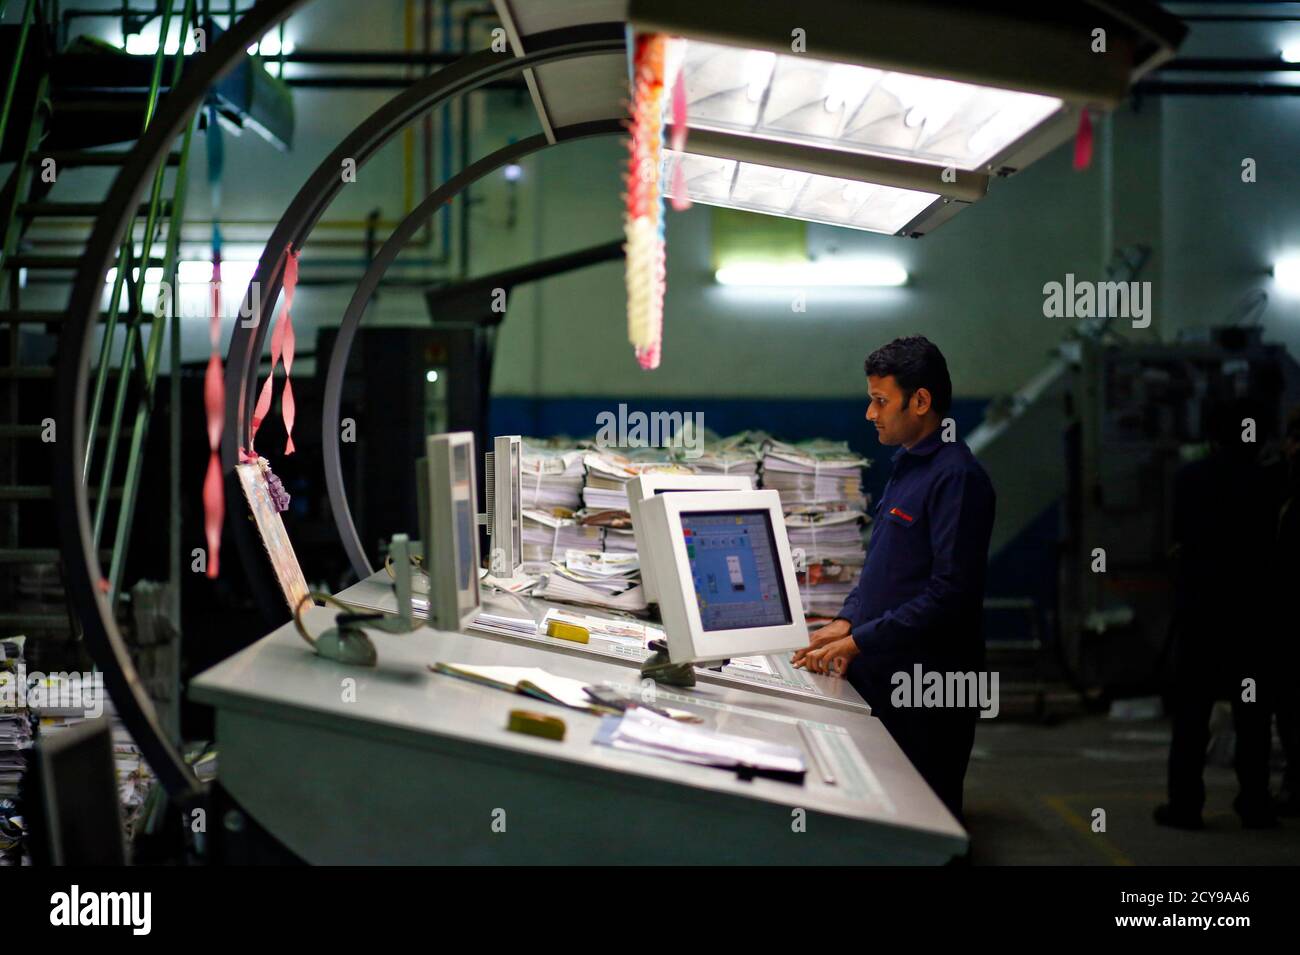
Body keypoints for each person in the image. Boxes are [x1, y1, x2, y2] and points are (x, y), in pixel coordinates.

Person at [793, 336, 995, 821]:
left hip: (926, 690)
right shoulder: (908, 466)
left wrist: (860, 640)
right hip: (884, 671)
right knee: (882, 815)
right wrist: (846, 620)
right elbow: (885, 564)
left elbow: (951, 595)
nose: (870, 413)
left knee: (924, 819)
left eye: (881, 400)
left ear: (920, 401)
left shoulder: (957, 478)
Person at [1155, 398, 1278, 830]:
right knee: (1252, 714)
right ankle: (1255, 802)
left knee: (1192, 714)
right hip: (1252, 620)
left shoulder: (1191, 479)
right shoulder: (1268, 483)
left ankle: (1186, 805)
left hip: (1202, 617)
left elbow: (1178, 542)